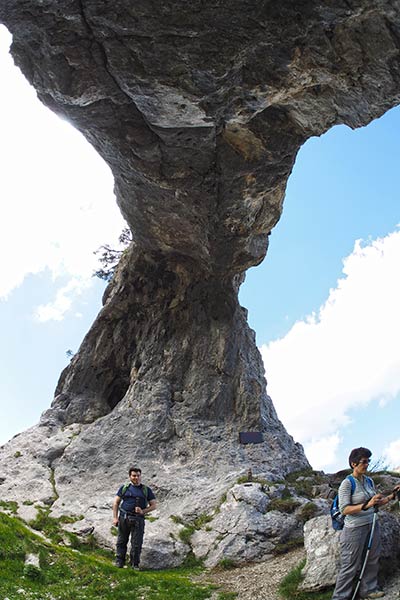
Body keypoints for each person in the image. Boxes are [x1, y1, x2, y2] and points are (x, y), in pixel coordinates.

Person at [332, 447, 400, 600]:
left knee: (372, 558)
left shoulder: (368, 481)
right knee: (349, 565)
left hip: (372, 523)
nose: (367, 464)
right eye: (364, 462)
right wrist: (366, 505)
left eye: (368, 461)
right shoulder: (347, 484)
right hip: (354, 529)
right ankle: (340, 597)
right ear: (353, 464)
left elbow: (376, 503)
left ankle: (368, 590)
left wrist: (392, 496)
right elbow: (344, 509)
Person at [112, 466, 156, 569]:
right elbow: (116, 503)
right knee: (121, 540)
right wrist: (115, 518)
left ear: (141, 476)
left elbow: (153, 505)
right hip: (124, 517)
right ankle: (119, 562)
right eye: (134, 476)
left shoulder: (146, 490)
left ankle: (134, 564)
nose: (136, 478)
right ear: (130, 476)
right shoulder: (124, 488)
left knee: (137, 543)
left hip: (138, 519)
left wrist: (143, 511)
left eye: (138, 475)